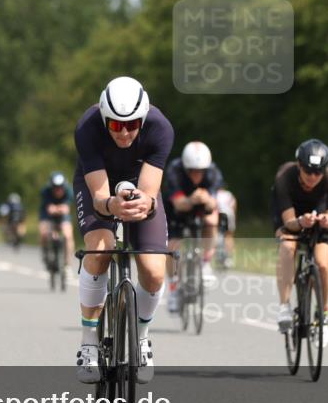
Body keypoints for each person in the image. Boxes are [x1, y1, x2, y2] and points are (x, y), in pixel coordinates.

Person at [73, 76, 173, 385]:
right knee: (99, 250)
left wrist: (145, 204)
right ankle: (89, 343)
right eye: (116, 125)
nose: (125, 132)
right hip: (98, 184)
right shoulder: (88, 127)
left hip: (140, 184)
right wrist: (111, 206)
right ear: (105, 119)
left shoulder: (160, 128)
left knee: (154, 271)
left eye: (132, 125)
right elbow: (100, 198)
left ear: (143, 120)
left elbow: (150, 195)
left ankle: (141, 337)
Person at [272, 139, 328, 345]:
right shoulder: (284, 176)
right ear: (299, 165)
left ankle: (323, 316)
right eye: (308, 171)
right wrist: (301, 222)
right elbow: (288, 222)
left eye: (318, 172)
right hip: (291, 214)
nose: (313, 177)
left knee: (322, 264)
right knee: (287, 246)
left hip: (319, 213)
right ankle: (284, 306)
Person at [162, 141, 222, 313]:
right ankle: (174, 288)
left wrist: (206, 199)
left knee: (212, 220)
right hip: (177, 208)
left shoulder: (213, 173)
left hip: (201, 207)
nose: (197, 175)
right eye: (192, 171)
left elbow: (213, 202)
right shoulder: (175, 171)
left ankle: (205, 263)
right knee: (172, 246)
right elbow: (179, 204)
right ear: (185, 168)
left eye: (200, 171)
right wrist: (192, 199)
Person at [38, 172, 74, 271]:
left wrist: (59, 209)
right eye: (56, 188)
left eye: (60, 187)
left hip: (63, 215)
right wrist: (55, 208)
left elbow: (66, 208)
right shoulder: (45, 192)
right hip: (47, 215)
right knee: (44, 233)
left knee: (68, 236)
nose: (58, 190)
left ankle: (67, 264)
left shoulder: (69, 191)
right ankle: (45, 253)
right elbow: (49, 208)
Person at [215, 187, 237, 267]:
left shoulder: (215, 193)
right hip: (229, 214)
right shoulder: (229, 194)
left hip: (218, 214)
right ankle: (228, 258)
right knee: (229, 236)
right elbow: (234, 205)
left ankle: (217, 255)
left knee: (215, 233)